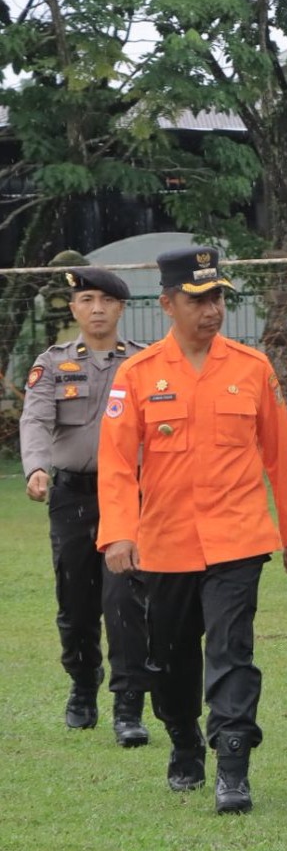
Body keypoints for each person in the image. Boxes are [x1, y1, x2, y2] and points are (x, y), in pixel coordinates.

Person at [97, 247, 287, 814]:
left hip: (238, 539)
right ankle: (185, 741)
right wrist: (118, 533)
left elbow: (281, 457)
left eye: (217, 296)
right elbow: (118, 463)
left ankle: (233, 764)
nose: (211, 309)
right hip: (165, 543)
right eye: (197, 299)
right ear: (169, 303)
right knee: (169, 660)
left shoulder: (251, 367)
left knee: (231, 650)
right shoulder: (138, 374)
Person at [20, 267, 151, 745]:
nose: (97, 309)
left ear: (120, 308)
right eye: (87, 299)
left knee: (126, 602)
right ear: (74, 308)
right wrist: (36, 466)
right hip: (72, 495)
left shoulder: (142, 363)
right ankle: (82, 682)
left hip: (131, 498)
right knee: (75, 605)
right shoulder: (53, 363)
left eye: (106, 301)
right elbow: (35, 419)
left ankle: (128, 705)